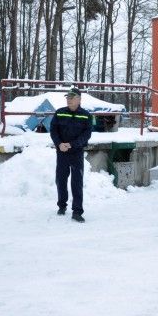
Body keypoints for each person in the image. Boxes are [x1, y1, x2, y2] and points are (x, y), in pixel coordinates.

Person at [50, 87, 93, 222]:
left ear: (79, 99)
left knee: (77, 182)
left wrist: (72, 144)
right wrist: (59, 144)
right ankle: (62, 205)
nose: (68, 100)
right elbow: (53, 130)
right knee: (61, 179)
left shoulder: (86, 115)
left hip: (76, 152)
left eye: (71, 97)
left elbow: (87, 134)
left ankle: (77, 211)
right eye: (67, 98)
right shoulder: (60, 113)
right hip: (62, 152)